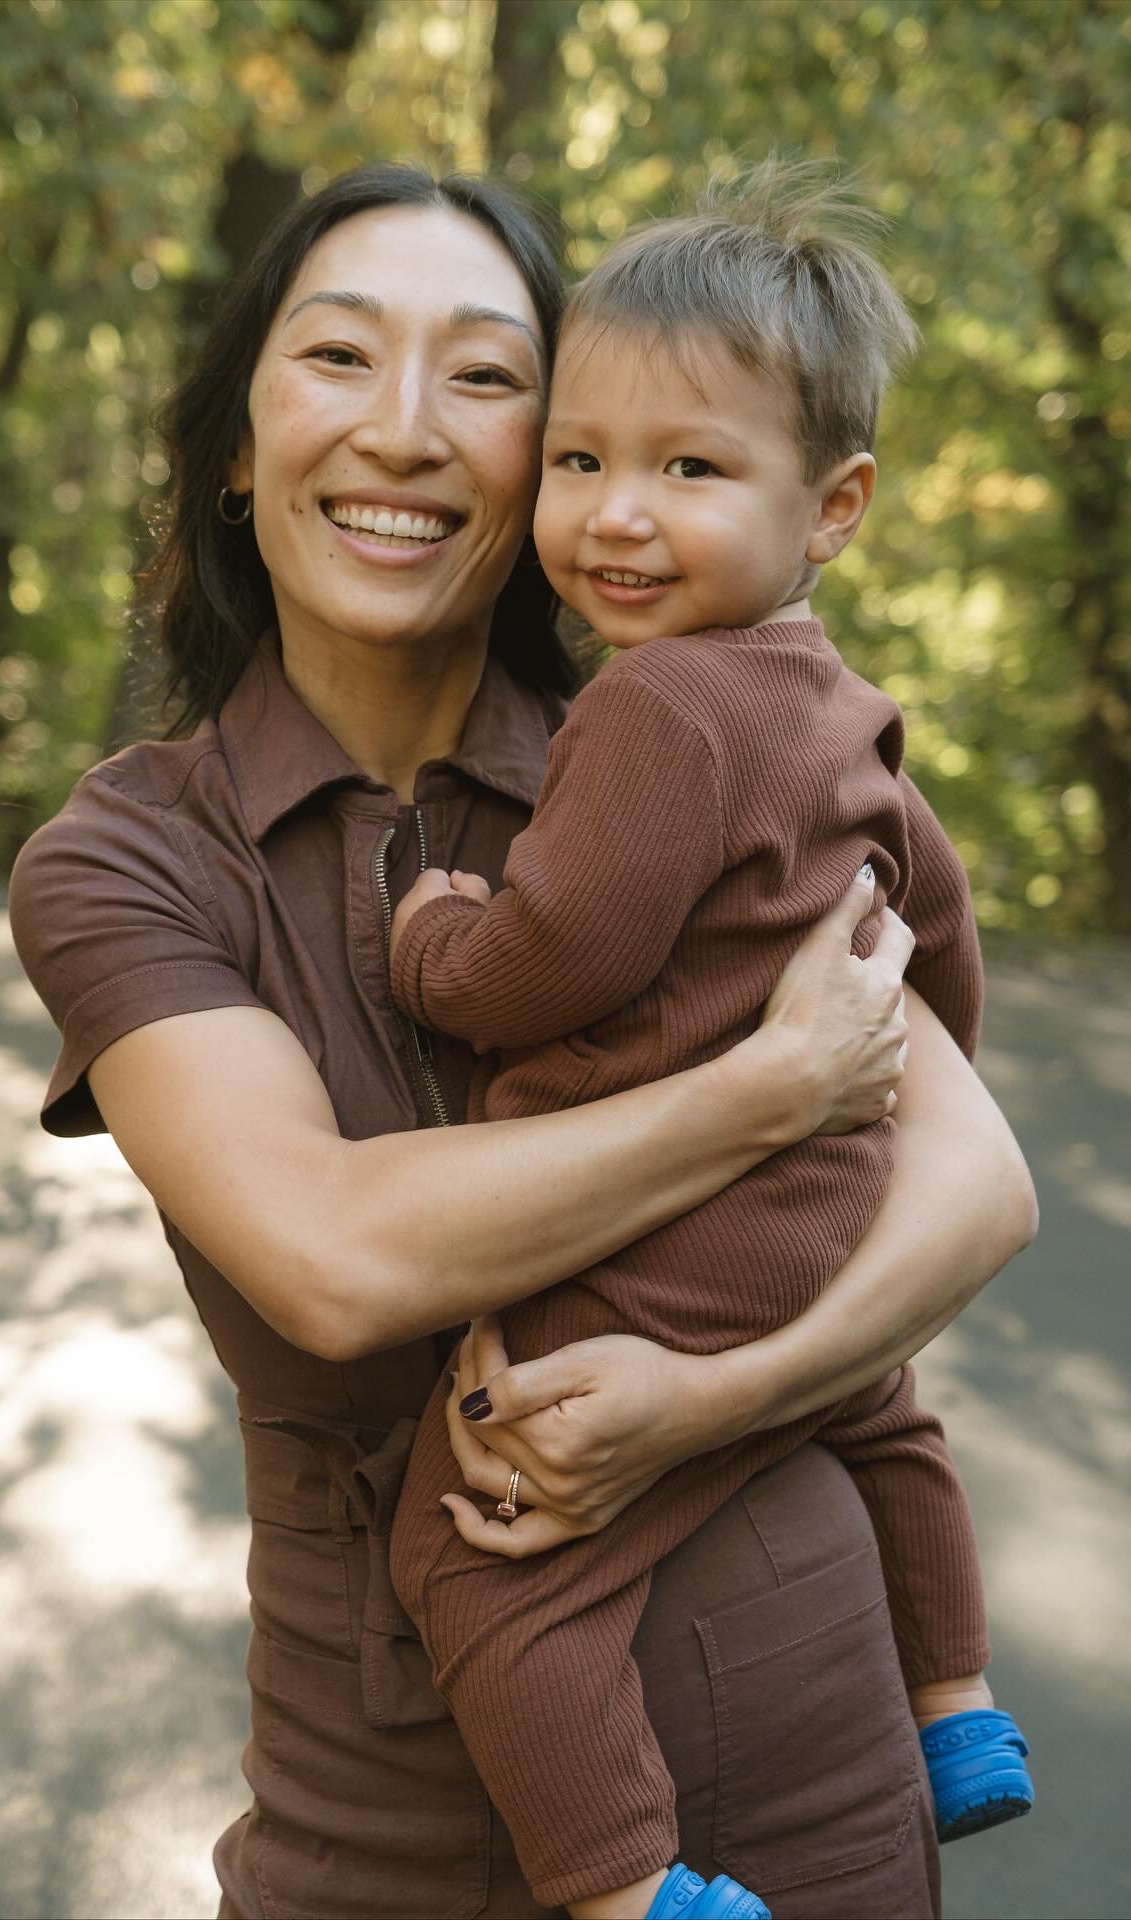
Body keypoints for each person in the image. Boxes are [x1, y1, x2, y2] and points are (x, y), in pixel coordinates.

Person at [7, 164, 1038, 1920]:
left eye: (486, 378)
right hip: (379, 1818)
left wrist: (704, 1401)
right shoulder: (132, 861)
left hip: (811, 1762)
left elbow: (977, 1185)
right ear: (238, 448)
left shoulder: (699, 731)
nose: (406, 430)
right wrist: (767, 1094)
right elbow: (333, 1259)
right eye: (338, 357)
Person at [385, 166, 1032, 1920]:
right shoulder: (843, 708)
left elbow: (555, 953)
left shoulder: (659, 699)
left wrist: (439, 939)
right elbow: (941, 929)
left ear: (833, 505)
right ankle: (960, 1710)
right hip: (813, 1206)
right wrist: (876, 1100)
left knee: (479, 1563)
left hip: (662, 1248)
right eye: (582, 461)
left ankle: (621, 1886)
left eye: (689, 468)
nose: (617, 516)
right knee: (877, 1401)